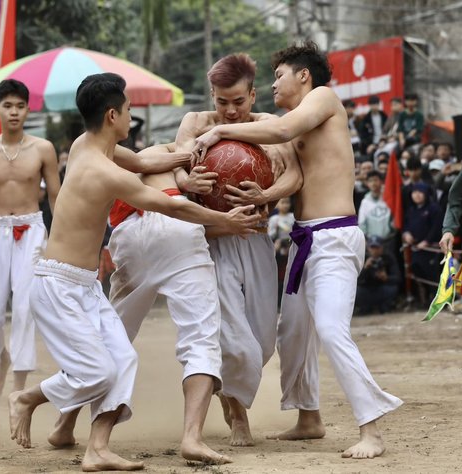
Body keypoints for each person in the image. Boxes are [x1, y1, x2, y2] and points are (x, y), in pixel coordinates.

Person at [7, 73, 258, 471]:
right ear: (112, 115)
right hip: (58, 284)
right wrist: (224, 219)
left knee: (123, 360)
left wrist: (183, 154)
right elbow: (171, 206)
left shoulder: (88, 145)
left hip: (85, 283)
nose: (130, 116)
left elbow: (142, 161)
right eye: (127, 111)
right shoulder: (102, 170)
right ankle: (29, 397)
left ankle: (97, 449)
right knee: (98, 370)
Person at [193, 40, 403, 459]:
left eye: (279, 76)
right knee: (293, 333)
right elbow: (297, 177)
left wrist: (220, 129)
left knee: (329, 327)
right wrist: (265, 193)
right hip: (306, 237)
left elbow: (283, 131)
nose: (274, 85)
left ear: (303, 75)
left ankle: (372, 429)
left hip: (335, 236)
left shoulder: (322, 99)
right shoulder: (300, 119)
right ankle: (309, 417)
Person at [172, 52, 302, 447]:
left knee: (262, 341)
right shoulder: (195, 123)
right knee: (233, 338)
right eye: (221, 101)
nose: (229, 111)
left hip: (256, 236)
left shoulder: (270, 126)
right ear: (211, 95)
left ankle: (230, 392)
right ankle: (236, 413)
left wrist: (267, 193)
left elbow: (296, 175)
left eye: (238, 101)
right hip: (210, 239)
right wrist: (186, 180)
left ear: (253, 95)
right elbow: (175, 164)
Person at [0, 79, 60, 397]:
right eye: (8, 106)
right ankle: (2, 359)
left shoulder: (43, 149)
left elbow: (56, 199)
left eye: (20, 105)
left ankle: (18, 390)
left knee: (24, 308)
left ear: (28, 109)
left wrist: (59, 238)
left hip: (32, 230)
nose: (14, 112)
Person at [355, 235, 400, 314]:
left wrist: (386, 278)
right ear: (368, 248)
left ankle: (384, 306)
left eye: (377, 247)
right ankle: (364, 307)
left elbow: (398, 278)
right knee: (356, 290)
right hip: (366, 289)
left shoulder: (388, 257)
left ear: (382, 247)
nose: (374, 251)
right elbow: (356, 281)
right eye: (372, 247)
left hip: (381, 288)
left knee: (393, 288)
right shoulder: (362, 258)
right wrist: (365, 268)